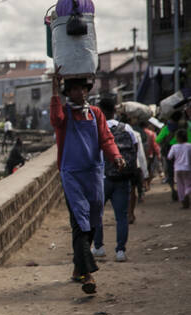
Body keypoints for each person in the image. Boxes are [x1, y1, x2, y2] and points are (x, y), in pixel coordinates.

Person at [50, 68, 125, 294]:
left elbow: (106, 138)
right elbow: (55, 119)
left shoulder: (95, 113)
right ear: (68, 93)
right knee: (79, 220)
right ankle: (87, 274)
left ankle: (77, 268)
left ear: (86, 90)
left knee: (93, 219)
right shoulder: (64, 114)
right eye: (74, 89)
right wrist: (55, 90)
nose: (79, 93)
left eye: (82, 89)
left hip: (93, 173)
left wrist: (116, 156)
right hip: (71, 174)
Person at [92, 98, 138, 262]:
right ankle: (120, 251)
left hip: (103, 178)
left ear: (101, 112)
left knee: (96, 214)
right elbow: (135, 149)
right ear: (114, 111)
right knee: (122, 216)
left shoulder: (97, 129)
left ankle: (98, 247)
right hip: (123, 177)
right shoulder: (127, 128)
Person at [157, 111, 185, 201]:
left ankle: (173, 188)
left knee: (170, 171)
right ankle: (184, 191)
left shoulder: (166, 128)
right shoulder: (186, 125)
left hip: (170, 150)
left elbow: (157, 140)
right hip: (186, 151)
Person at [168, 129, 191, 208]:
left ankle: (183, 200)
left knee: (180, 186)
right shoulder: (189, 146)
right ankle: (187, 192)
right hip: (187, 168)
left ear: (177, 138)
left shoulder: (174, 147)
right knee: (188, 184)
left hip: (177, 168)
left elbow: (169, 157)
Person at [141, 121, 161, 190]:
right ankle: (148, 184)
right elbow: (155, 145)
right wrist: (158, 153)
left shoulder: (138, 132)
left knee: (142, 169)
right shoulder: (151, 133)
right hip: (150, 154)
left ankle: (144, 184)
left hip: (140, 155)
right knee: (149, 169)